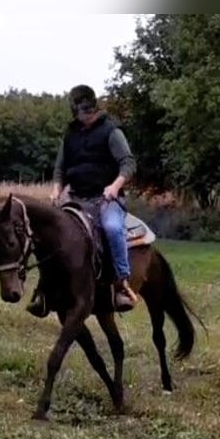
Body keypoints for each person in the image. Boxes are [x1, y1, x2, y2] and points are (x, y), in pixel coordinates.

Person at [26, 84, 138, 317]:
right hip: (76, 197)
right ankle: (44, 290)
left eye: (90, 111)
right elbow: (60, 168)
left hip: (106, 199)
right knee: (49, 232)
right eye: (82, 112)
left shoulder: (111, 131)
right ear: (75, 112)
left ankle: (121, 284)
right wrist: (57, 190)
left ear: (95, 108)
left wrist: (115, 186)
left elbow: (128, 163)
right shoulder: (70, 135)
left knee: (112, 227)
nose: (87, 116)